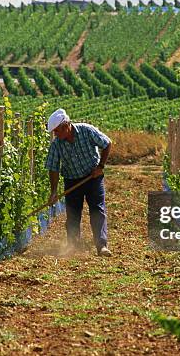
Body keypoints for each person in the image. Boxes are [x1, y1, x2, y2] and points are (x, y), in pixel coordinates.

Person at [45, 108, 112, 257]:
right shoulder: (57, 145)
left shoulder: (87, 131)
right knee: (73, 214)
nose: (55, 135)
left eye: (57, 131)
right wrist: (54, 191)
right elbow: (53, 167)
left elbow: (107, 143)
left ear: (66, 126)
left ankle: (101, 246)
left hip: (93, 177)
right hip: (71, 180)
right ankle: (73, 247)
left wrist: (100, 167)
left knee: (97, 210)